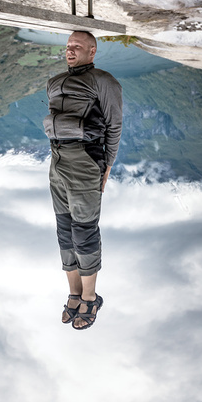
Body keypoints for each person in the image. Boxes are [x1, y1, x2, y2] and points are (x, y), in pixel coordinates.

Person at [43, 31, 122, 330]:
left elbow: (114, 125)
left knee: (84, 230)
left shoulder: (104, 81)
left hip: (86, 160)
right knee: (64, 229)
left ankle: (90, 297)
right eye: (67, 46)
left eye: (77, 46)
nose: (70, 50)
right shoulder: (53, 83)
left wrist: (108, 165)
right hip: (57, 160)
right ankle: (74, 291)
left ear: (92, 51)